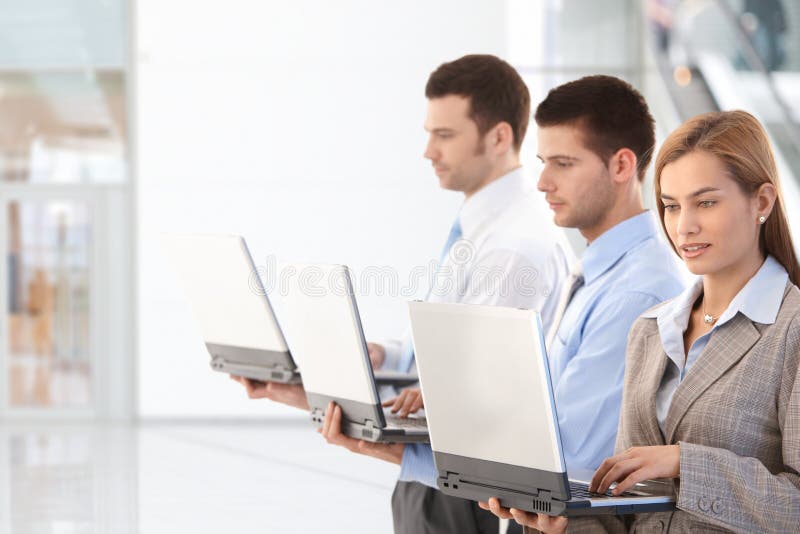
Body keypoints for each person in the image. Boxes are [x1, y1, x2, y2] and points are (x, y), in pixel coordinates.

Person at [240, 54, 573, 534]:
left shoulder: (515, 248)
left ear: (499, 137)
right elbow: (445, 366)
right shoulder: (478, 230)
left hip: (468, 497)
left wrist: (331, 405)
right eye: (429, 133)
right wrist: (385, 357)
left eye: (445, 135)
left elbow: (473, 398)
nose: (428, 151)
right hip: (440, 485)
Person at [508, 110, 800, 533]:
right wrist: (564, 526)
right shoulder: (651, 330)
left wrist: (685, 463)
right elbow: (627, 509)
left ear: (762, 202)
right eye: (670, 206)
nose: (685, 226)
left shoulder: (790, 329)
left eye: (706, 202)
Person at [468, 75, 686, 528]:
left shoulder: (639, 290)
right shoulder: (598, 268)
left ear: (622, 165)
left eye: (563, 163)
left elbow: (569, 455)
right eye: (543, 161)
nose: (543, 182)